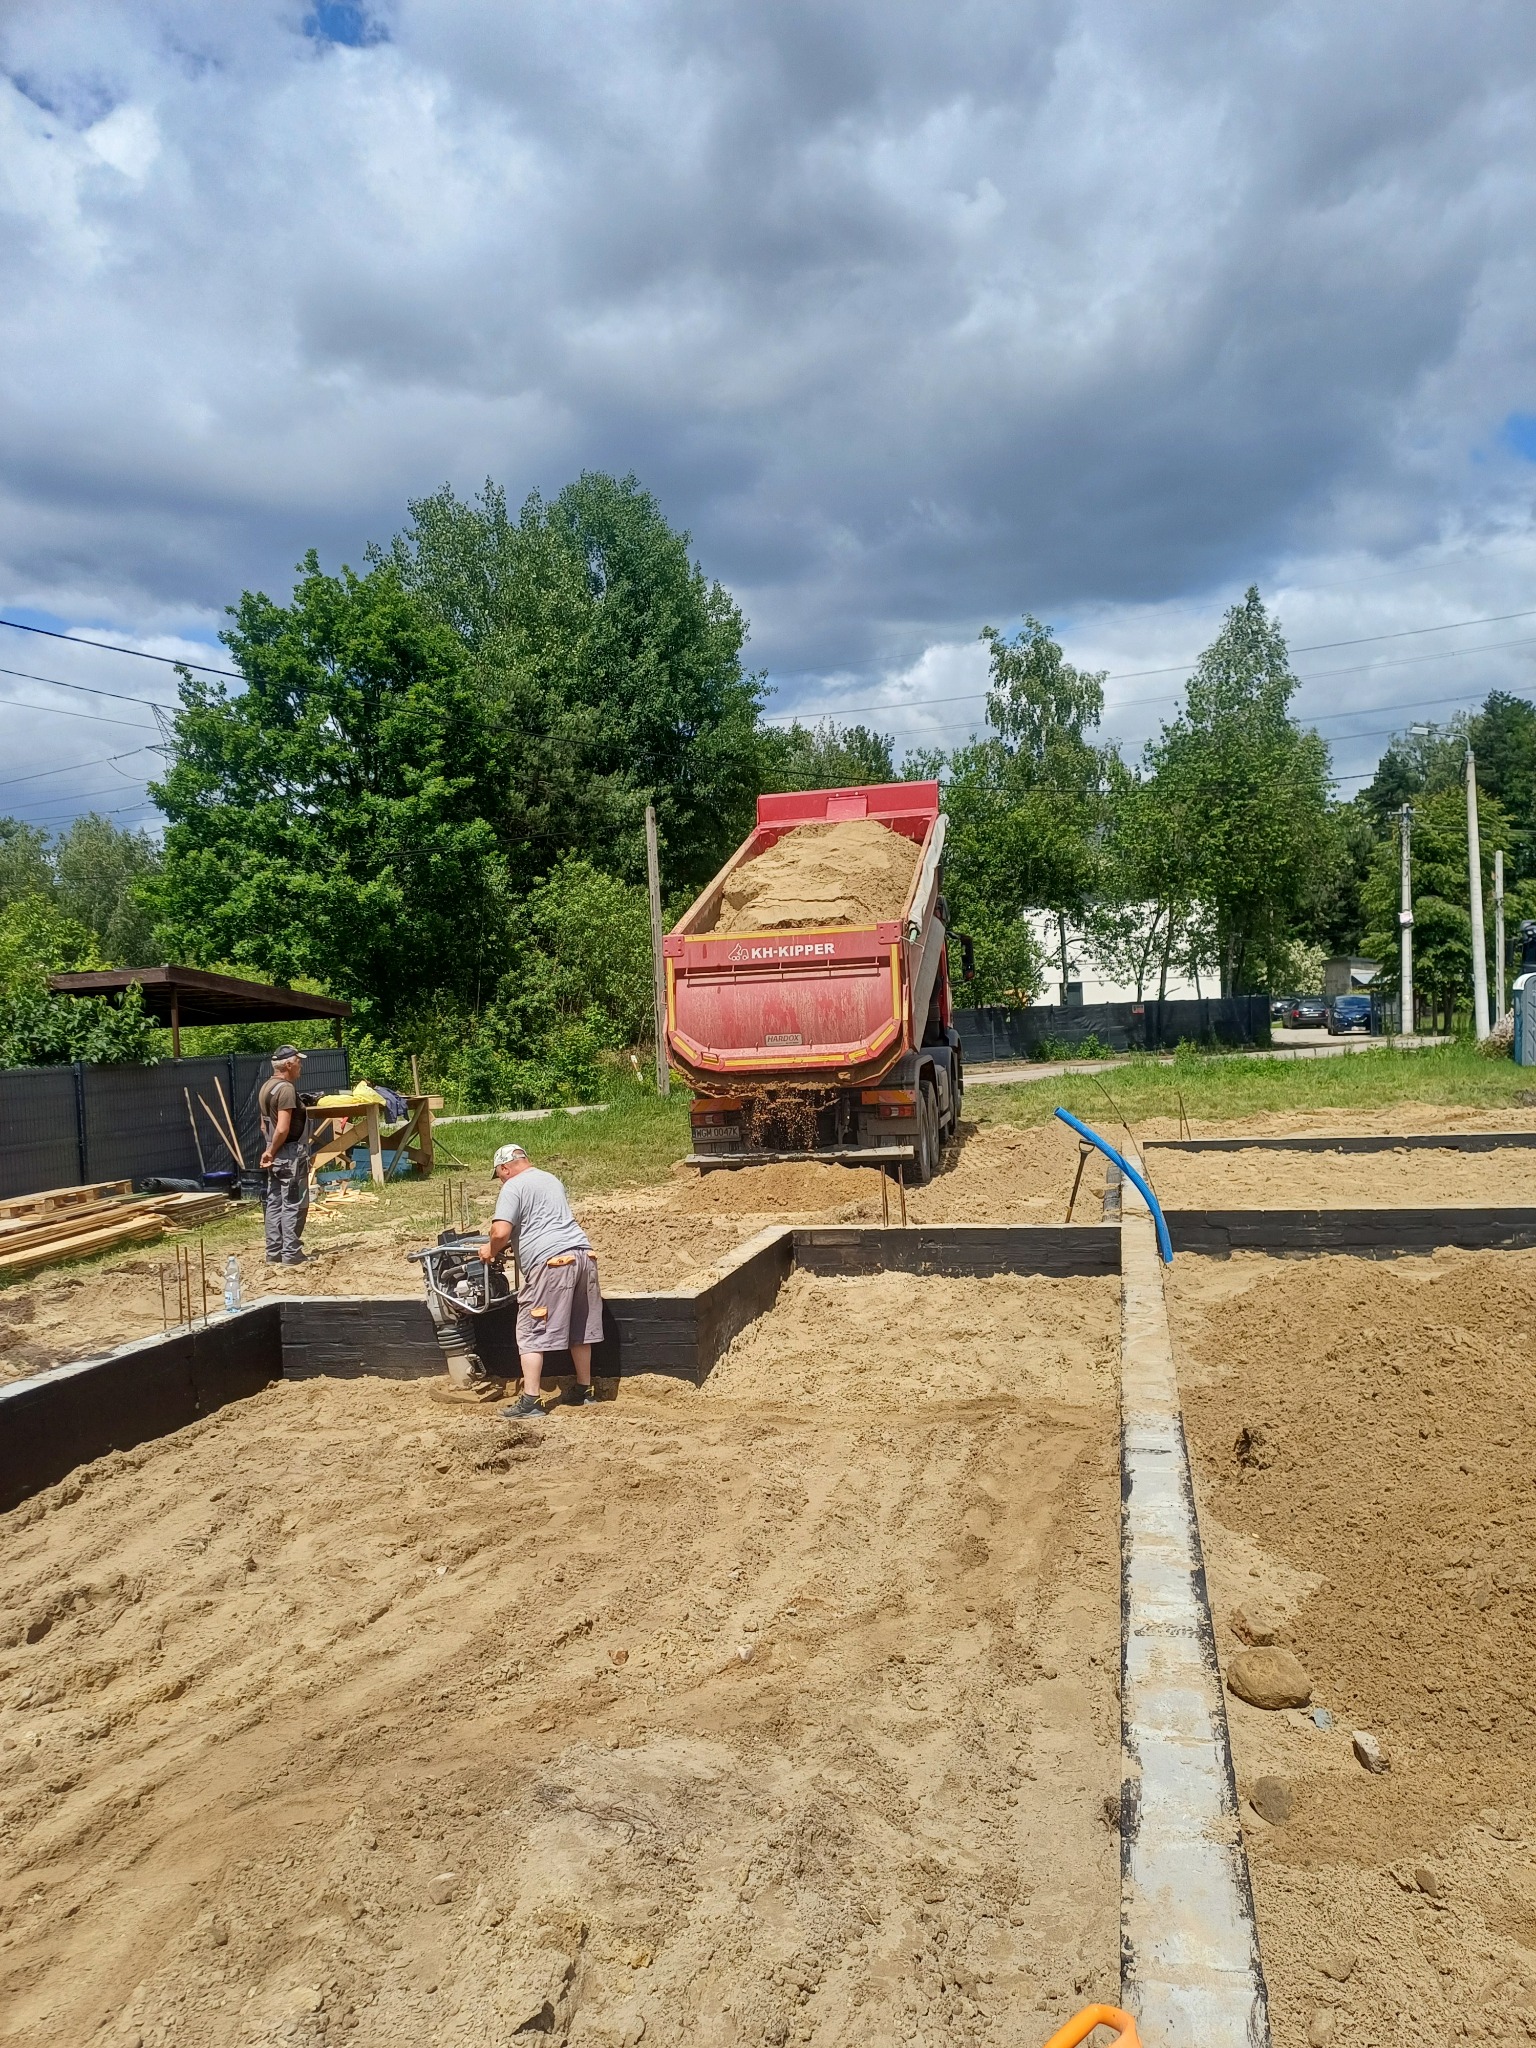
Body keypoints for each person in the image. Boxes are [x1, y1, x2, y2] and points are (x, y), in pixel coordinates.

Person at [481, 1143, 603, 1417]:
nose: (500, 1180)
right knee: (579, 1327)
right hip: (584, 1255)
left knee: (529, 1329)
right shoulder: (550, 1179)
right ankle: (584, 1391)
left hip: (551, 1263)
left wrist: (491, 1250)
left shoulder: (512, 1186)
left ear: (505, 1168)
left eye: (498, 1175)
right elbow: (541, 1221)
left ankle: (531, 1401)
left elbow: (500, 1232)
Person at [258, 1046, 311, 1266]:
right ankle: (291, 1253)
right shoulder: (286, 1089)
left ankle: (273, 1252)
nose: (301, 1065)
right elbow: (282, 1127)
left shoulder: (266, 1087)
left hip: (275, 1151)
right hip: (289, 1153)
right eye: (298, 1061)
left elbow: (264, 1126)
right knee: (292, 1202)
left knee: (274, 1202)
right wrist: (272, 1150)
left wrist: (270, 1150)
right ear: (288, 1064)